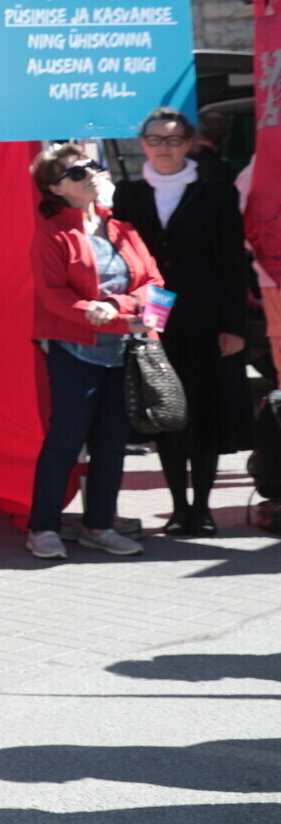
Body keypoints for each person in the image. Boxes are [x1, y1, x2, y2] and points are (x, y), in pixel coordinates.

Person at [114, 109, 253, 536]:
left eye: (173, 140)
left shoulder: (216, 192)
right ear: (143, 144)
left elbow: (233, 262)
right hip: (154, 316)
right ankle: (178, 509)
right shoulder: (128, 194)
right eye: (156, 140)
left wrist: (235, 326)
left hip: (207, 315)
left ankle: (202, 509)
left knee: (205, 409)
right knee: (165, 409)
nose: (164, 148)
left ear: (189, 143)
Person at [26, 143, 161, 561]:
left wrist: (121, 310)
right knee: (66, 440)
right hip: (75, 351)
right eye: (77, 172)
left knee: (112, 441)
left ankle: (99, 526)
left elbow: (155, 282)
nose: (91, 174)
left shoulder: (122, 228)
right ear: (57, 188)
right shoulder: (52, 234)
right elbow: (53, 298)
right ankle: (42, 527)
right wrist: (111, 316)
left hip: (127, 351)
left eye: (92, 166)